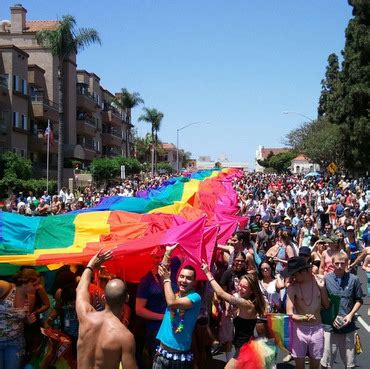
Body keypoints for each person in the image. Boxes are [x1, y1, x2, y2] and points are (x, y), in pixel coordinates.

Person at [76, 249, 137, 369]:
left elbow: (80, 289)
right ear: (127, 298)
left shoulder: (86, 316)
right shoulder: (125, 337)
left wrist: (91, 265)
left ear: (104, 297)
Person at [201, 261, 266, 369]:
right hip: (243, 347)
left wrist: (208, 273)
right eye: (240, 285)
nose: (240, 288)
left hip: (244, 350)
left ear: (252, 291)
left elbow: (221, 293)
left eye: (244, 287)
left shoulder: (247, 304)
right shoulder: (245, 302)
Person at [154, 245, 201, 369]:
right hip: (161, 354)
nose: (184, 280)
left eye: (189, 278)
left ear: (194, 282)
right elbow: (161, 274)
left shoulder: (195, 298)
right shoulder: (175, 292)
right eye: (182, 276)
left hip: (178, 359)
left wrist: (167, 280)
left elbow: (171, 303)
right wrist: (167, 254)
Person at [284, 256, 330, 369]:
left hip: (317, 329)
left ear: (304, 271)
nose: (293, 277)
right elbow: (289, 313)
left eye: (295, 274)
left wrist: (322, 288)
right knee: (299, 366)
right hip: (299, 330)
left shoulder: (319, 281)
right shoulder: (292, 287)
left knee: (315, 365)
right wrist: (303, 318)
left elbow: (326, 305)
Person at [321, 253, 363, 369]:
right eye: (337, 263)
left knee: (350, 364)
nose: (339, 266)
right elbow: (323, 303)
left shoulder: (354, 279)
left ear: (347, 263)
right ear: (332, 264)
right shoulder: (326, 279)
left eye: (342, 263)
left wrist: (350, 315)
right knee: (326, 362)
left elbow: (359, 300)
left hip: (348, 327)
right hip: (330, 327)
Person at [0, 269, 39, 369]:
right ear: (24, 283)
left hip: (15, 342)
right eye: (34, 284)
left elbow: (24, 318)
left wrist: (28, 320)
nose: (38, 287)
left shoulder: (31, 297)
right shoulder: (5, 287)